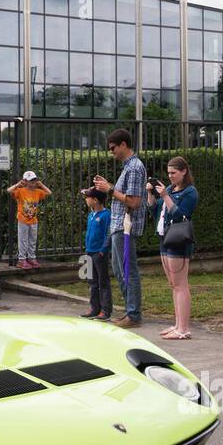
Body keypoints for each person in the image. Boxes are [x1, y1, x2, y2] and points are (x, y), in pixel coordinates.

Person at [91, 129, 147, 328]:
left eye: (113, 148)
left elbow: (133, 201)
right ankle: (130, 312)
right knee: (120, 269)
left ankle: (133, 314)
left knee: (127, 270)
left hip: (125, 226)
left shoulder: (133, 168)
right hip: (119, 225)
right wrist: (109, 186)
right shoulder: (129, 167)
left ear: (124, 144)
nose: (111, 152)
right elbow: (127, 195)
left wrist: (110, 189)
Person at [147, 155, 198, 340]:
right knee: (173, 285)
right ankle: (178, 325)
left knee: (180, 285)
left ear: (184, 171)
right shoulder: (168, 189)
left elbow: (180, 216)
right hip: (164, 238)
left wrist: (166, 196)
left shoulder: (190, 192)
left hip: (178, 239)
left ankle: (183, 329)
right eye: (168, 173)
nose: (170, 176)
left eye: (174, 173)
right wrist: (151, 193)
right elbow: (154, 210)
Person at [79, 186, 112, 320]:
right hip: (89, 252)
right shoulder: (91, 215)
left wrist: (103, 250)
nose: (86, 200)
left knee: (103, 282)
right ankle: (94, 308)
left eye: (88, 197)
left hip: (99, 253)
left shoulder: (106, 215)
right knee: (92, 282)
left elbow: (108, 234)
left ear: (96, 200)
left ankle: (105, 311)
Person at [7, 171, 51, 269]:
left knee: (32, 240)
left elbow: (49, 192)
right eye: (31, 180)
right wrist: (18, 184)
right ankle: (22, 260)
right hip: (23, 219)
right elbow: (9, 190)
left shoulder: (38, 191)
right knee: (23, 240)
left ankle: (31, 258)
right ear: (25, 181)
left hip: (33, 220)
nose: (33, 182)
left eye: (34, 180)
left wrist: (41, 184)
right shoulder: (20, 190)